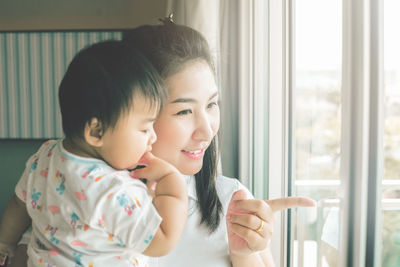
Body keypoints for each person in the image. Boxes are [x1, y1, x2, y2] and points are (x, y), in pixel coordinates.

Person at [10, 19, 315, 267]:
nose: (207, 131)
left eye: (212, 105)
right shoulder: (71, 189)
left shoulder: (233, 202)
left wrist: (244, 252)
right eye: (183, 111)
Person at [0, 40, 188, 266]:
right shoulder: (115, 192)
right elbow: (163, 241)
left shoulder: (45, 155)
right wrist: (173, 184)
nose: (153, 137)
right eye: (144, 129)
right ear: (96, 131)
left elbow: (19, 206)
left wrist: (5, 244)